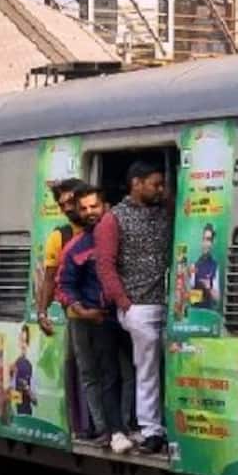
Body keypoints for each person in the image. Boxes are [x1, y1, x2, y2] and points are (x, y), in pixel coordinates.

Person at [94, 161, 171, 454]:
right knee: (148, 368)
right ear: (136, 183)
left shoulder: (162, 213)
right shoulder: (113, 219)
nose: (160, 189)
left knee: (165, 365)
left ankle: (163, 425)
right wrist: (124, 302)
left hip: (167, 303)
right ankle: (151, 429)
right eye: (155, 184)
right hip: (139, 306)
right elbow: (105, 263)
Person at [59, 185, 127, 448]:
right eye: (84, 208)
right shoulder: (77, 247)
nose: (89, 213)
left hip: (125, 312)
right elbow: (64, 285)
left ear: (106, 207)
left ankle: (129, 425)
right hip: (96, 318)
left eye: (94, 207)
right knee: (103, 373)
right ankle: (109, 429)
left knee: (130, 373)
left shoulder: (123, 236)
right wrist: (83, 310)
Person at [35, 178, 86, 338]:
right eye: (62, 205)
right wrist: (42, 313)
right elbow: (49, 279)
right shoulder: (59, 237)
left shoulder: (103, 229)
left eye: (71, 201)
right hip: (75, 315)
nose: (68, 208)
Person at [190, 222, 221, 311]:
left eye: (208, 239)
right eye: (203, 239)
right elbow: (188, 296)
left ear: (212, 242)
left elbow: (217, 298)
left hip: (208, 314)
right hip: (195, 313)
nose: (205, 243)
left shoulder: (215, 266)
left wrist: (208, 287)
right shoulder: (194, 265)